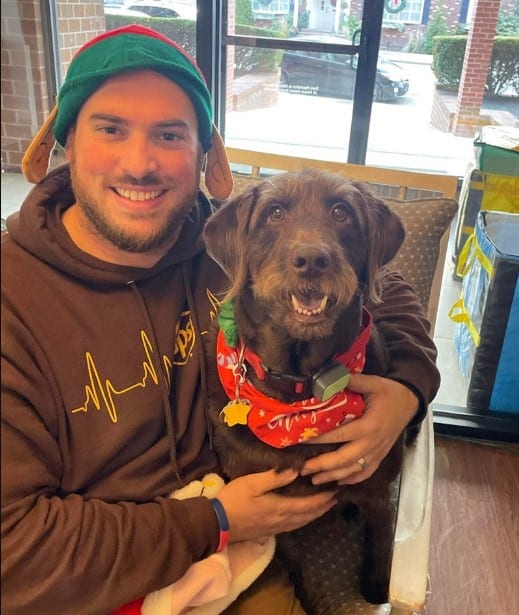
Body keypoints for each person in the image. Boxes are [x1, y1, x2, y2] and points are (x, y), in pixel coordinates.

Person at [1, 24, 440, 615]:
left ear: (205, 155)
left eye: (169, 134)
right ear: (66, 142)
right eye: (110, 129)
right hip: (96, 580)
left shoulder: (227, 240)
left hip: (251, 556)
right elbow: (13, 552)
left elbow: (387, 296)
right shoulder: (12, 301)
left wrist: (407, 392)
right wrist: (212, 519)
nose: (140, 164)